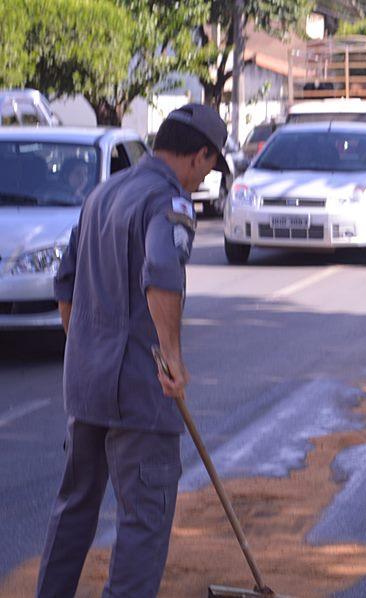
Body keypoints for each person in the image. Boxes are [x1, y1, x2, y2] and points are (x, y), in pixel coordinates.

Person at [36, 104, 229, 597]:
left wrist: (88, 350)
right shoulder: (169, 202)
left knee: (75, 506)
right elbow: (162, 274)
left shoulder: (104, 193)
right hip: (138, 392)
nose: (205, 177)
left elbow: (66, 285)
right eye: (210, 164)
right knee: (144, 519)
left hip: (87, 387)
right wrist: (173, 358)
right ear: (198, 155)